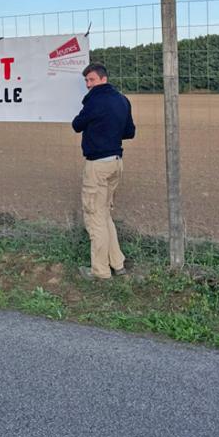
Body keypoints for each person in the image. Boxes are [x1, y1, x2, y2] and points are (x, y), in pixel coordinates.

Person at [71, 63, 135, 280]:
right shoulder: (122, 100)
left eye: (91, 80)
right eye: (86, 81)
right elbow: (130, 131)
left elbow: (77, 125)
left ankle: (100, 272)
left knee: (94, 217)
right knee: (104, 213)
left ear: (102, 79)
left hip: (97, 165)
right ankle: (117, 264)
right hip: (116, 162)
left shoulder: (94, 101)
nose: (88, 85)